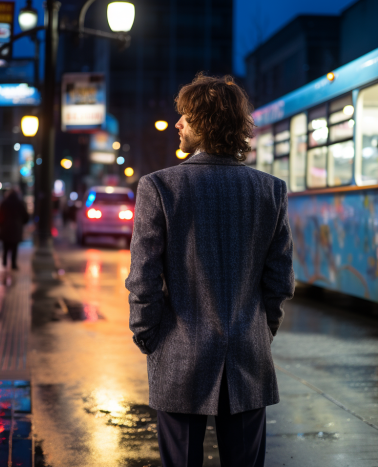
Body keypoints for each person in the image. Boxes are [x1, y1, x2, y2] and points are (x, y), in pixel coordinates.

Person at [126, 73, 294, 467]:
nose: (178, 123)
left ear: (205, 123)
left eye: (185, 115)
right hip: (248, 355)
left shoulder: (160, 187)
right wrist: (261, 330)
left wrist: (147, 334)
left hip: (179, 353)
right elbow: (279, 278)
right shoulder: (270, 190)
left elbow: (144, 278)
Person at [0, 188, 29, 270]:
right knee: (15, 247)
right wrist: (21, 223)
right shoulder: (19, 203)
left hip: (5, 228)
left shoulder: (4, 203)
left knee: (5, 246)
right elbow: (26, 217)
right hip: (16, 229)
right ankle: (13, 264)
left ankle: (4, 263)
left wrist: (1, 226)